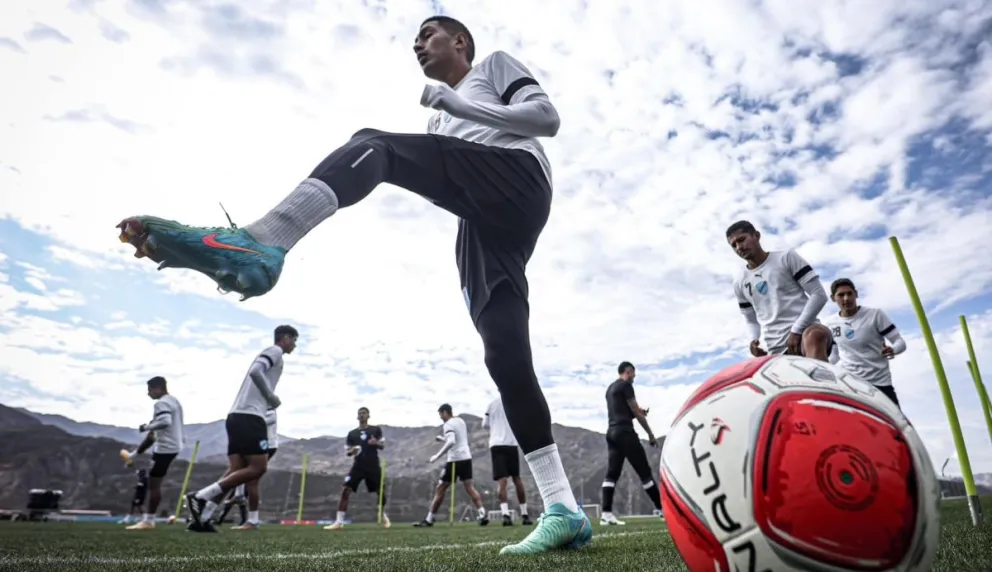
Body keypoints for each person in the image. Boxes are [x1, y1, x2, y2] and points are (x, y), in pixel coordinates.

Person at [116, 14, 589, 553]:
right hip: (480, 222)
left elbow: (546, 119)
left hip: (518, 177)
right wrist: (443, 133)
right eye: (415, 39)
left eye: (427, 35)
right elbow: (445, 172)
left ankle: (264, 240)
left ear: (460, 41)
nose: (417, 44)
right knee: (505, 359)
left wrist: (460, 105)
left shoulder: (494, 67)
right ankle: (563, 509)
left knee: (375, 144)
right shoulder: (437, 127)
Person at [184, 325, 298, 533]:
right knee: (257, 469)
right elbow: (256, 371)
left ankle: (203, 518)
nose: (295, 345)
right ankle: (200, 497)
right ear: (285, 337)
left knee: (235, 472)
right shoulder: (275, 351)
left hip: (236, 416)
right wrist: (271, 397)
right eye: (294, 340)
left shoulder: (272, 355)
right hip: (250, 416)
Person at [726, 220, 832, 360]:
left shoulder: (786, 257)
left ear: (756, 235)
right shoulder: (739, 282)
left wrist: (796, 330)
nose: (739, 247)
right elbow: (751, 320)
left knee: (815, 335)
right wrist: (753, 339)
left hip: (805, 336)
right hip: (775, 349)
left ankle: (822, 380)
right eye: (734, 245)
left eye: (741, 240)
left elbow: (818, 294)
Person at [824, 278, 907, 407]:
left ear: (856, 294)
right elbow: (835, 356)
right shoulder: (830, 323)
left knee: (894, 425)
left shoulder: (875, 315)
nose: (846, 298)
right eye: (841, 295)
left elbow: (900, 342)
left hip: (880, 384)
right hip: (851, 383)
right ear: (833, 298)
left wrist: (893, 349)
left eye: (849, 293)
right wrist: (820, 367)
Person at [600, 362, 662, 525]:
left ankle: (606, 514)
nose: (634, 376)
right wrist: (650, 434)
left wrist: (638, 412)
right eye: (633, 373)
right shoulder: (626, 386)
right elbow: (634, 411)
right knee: (645, 472)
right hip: (625, 433)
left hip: (612, 433)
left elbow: (622, 411)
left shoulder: (610, 389)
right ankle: (662, 509)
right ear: (627, 372)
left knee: (612, 474)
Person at [121, 376, 185, 530]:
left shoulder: (161, 403)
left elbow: (165, 422)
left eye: (150, 390)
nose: (148, 393)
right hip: (173, 446)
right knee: (153, 483)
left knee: (154, 485)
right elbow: (152, 438)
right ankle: (149, 519)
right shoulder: (173, 401)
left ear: (158, 388)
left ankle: (149, 521)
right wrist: (134, 455)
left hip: (166, 448)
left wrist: (146, 427)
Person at [414, 404, 489, 528]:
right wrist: (443, 439)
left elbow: (452, 441)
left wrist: (436, 456)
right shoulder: (460, 421)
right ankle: (482, 513)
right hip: (466, 458)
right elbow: (457, 440)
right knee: (470, 487)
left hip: (454, 460)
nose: (440, 418)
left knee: (440, 488)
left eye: (440, 415)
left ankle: (429, 519)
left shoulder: (448, 425)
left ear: (445, 412)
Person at [324, 407, 391, 530]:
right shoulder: (352, 434)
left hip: (373, 465)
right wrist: (352, 451)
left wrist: (375, 443)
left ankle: (383, 515)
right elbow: (348, 452)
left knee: (380, 491)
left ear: (368, 416)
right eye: (360, 413)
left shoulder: (375, 430)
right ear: (357, 416)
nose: (361, 415)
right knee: (345, 489)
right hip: (358, 466)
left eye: (364, 413)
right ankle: (339, 522)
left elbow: (382, 446)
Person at [226, 407, 280, 530]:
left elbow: (259, 422)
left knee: (252, 481)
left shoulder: (267, 407)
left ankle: (253, 520)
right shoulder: (258, 405)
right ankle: (240, 496)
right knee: (243, 472)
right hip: (255, 442)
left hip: (266, 444)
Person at [482, 396, 532, 526]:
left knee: (502, 480)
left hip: (497, 444)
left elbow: (484, 424)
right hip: (511, 444)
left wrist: (496, 426)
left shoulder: (491, 404)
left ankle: (506, 516)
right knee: (517, 478)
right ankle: (525, 515)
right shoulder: (514, 402)